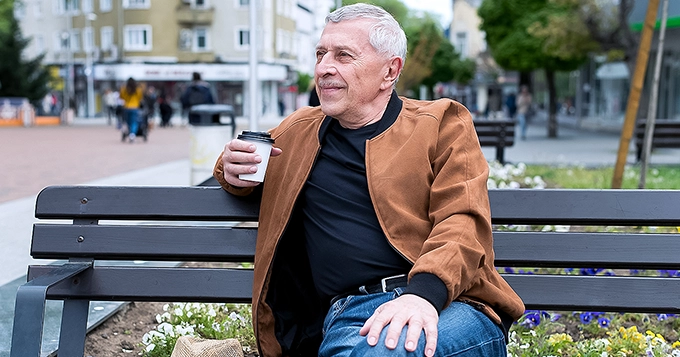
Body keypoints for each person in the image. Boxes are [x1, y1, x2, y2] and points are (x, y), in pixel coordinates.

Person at [213, 3, 524, 357]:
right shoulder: (298, 132)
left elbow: (462, 221)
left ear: (390, 71)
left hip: (449, 303)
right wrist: (231, 168)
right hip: (351, 316)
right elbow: (240, 165)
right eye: (320, 54)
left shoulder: (441, 124)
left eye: (344, 56)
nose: (324, 68)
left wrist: (423, 295)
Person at [119, 77, 144, 142]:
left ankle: (130, 132)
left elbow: (121, 97)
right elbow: (140, 97)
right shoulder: (138, 89)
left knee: (128, 122)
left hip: (126, 107)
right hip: (135, 107)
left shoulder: (124, 88)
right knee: (134, 122)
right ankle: (132, 134)